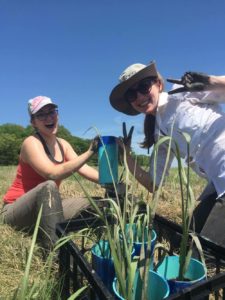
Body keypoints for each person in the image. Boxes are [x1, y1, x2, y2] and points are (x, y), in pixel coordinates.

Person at [109, 61, 225, 246]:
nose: (139, 96)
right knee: (184, 244)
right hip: (218, 185)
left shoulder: (182, 92)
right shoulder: (159, 134)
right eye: (132, 93)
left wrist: (209, 81)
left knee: (206, 254)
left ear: (159, 84)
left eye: (144, 86)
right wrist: (125, 155)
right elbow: (154, 184)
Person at [2, 95, 100, 254]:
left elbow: (84, 169)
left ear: (58, 115)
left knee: (97, 203)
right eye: (41, 115)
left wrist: (111, 181)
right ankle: (55, 257)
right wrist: (90, 152)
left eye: (52, 112)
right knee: (48, 187)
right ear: (33, 122)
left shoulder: (64, 144)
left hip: (47, 209)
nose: (48, 117)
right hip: (16, 211)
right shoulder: (31, 142)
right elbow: (51, 173)